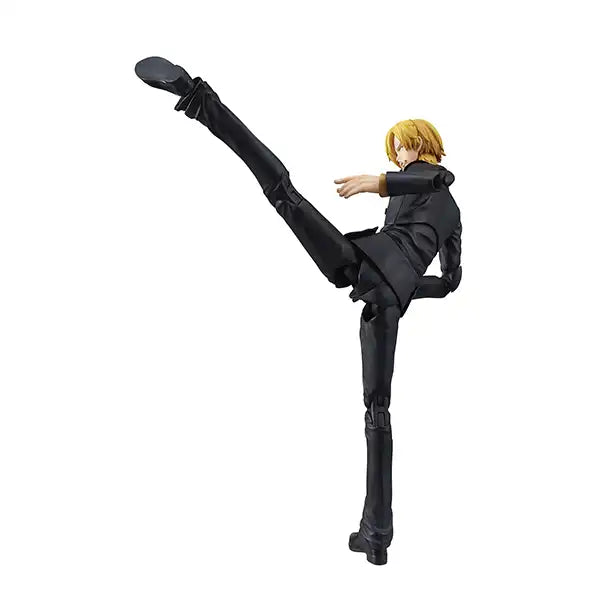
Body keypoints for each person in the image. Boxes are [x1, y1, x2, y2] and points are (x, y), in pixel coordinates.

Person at [135, 56, 462, 566]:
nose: (399, 156)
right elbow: (450, 282)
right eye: (395, 152)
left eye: (402, 147)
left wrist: (378, 183)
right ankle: (377, 535)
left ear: (421, 144)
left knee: (283, 193)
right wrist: (400, 286)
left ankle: (199, 99)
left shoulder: (431, 181)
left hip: (371, 273)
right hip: (382, 296)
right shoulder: (435, 204)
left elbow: (440, 181)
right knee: (377, 412)